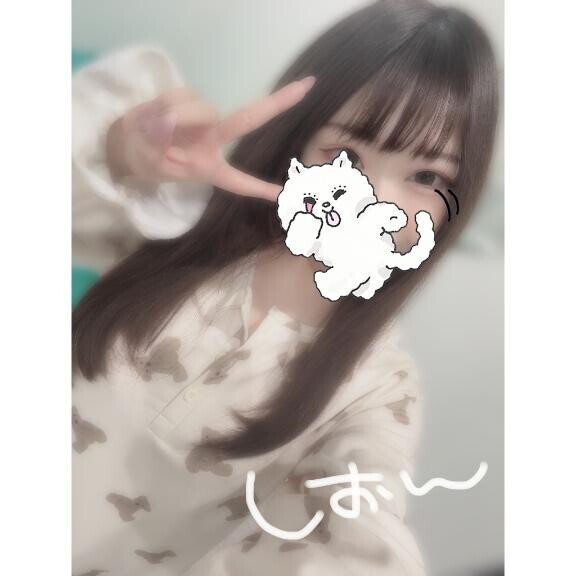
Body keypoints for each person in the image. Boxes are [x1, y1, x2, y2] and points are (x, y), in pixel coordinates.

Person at [71, 1, 499, 574]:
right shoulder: (176, 220)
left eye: (427, 177)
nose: (375, 201)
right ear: (298, 140)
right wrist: (124, 153)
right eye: (345, 155)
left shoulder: (374, 391)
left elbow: (365, 525)